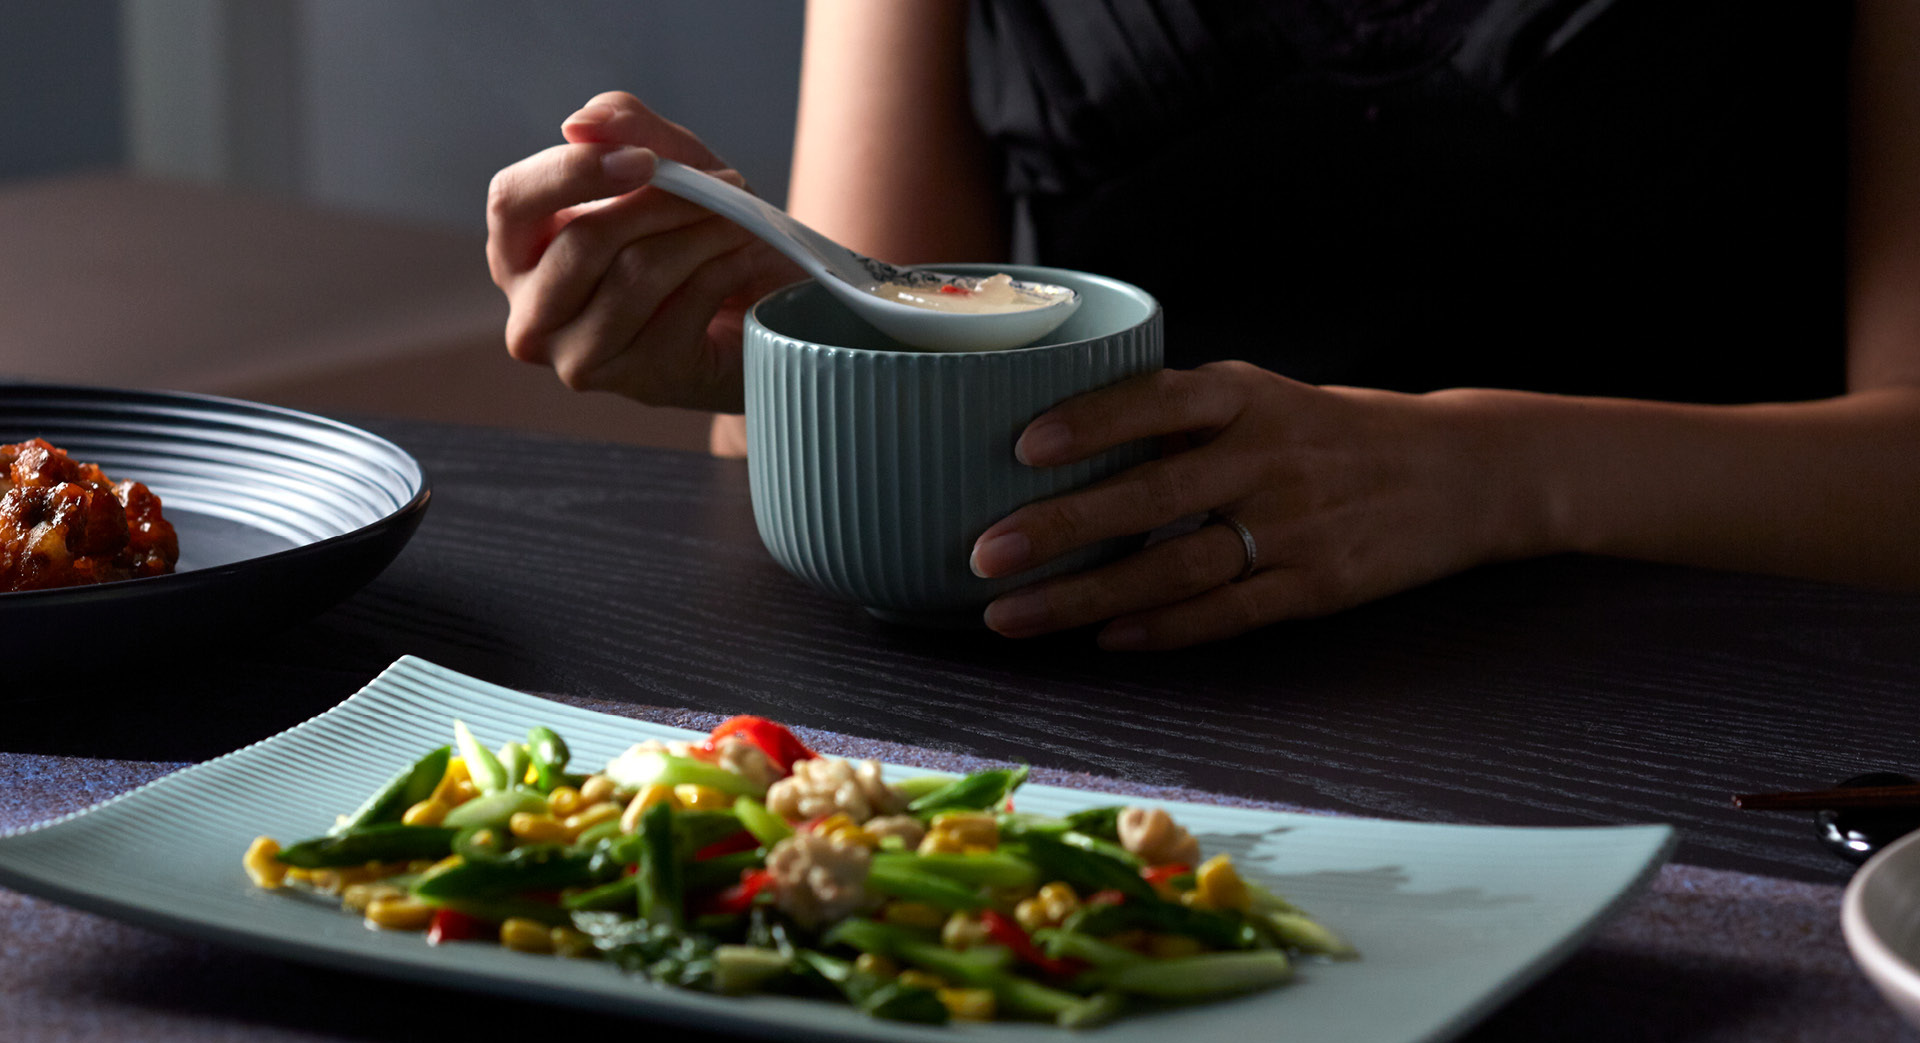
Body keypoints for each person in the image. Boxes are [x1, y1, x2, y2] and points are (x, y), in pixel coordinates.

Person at [485, 0, 1920, 650]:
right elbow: (888, 326)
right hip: (1126, 697)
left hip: (1706, 709)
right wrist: (755, 345)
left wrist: (1494, 475)